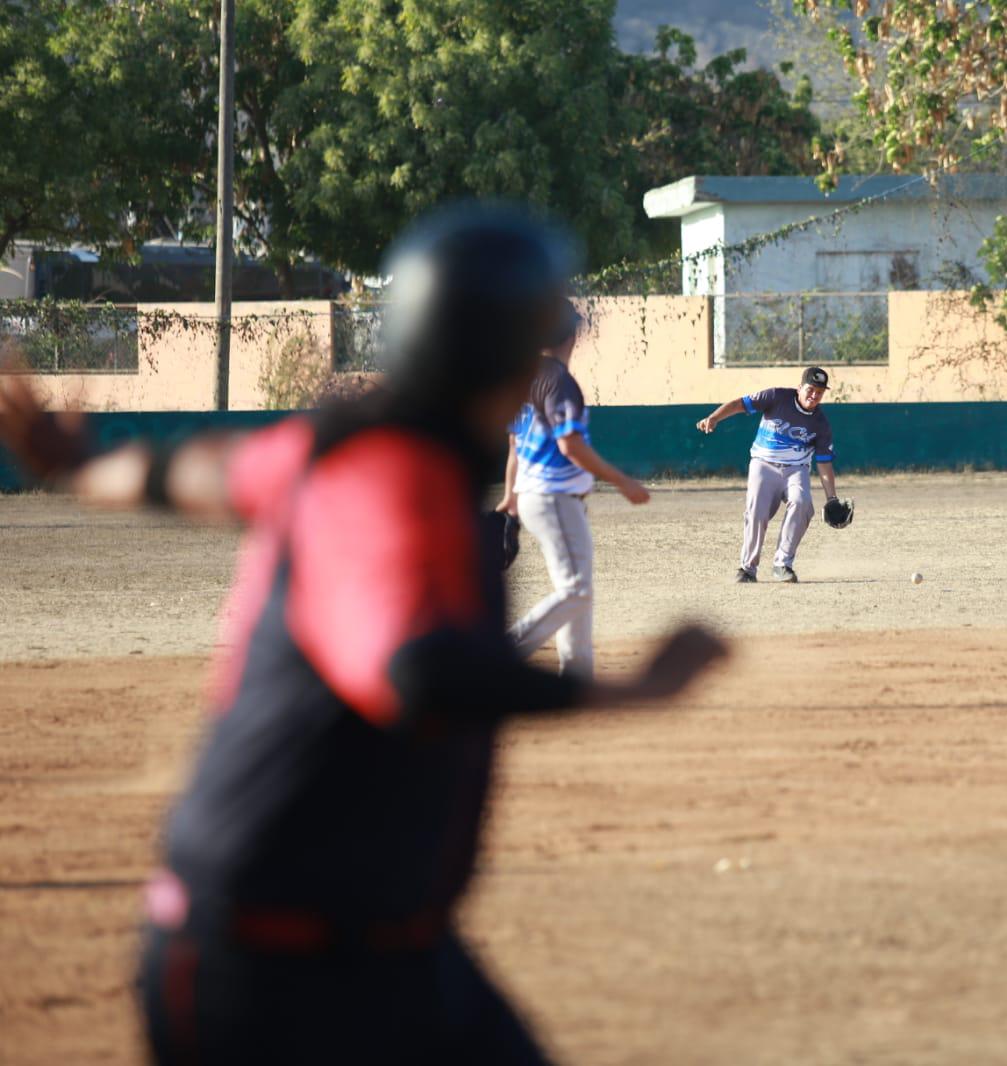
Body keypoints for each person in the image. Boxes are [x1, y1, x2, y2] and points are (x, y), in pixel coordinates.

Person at [0, 203, 726, 1066]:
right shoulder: (391, 476)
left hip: (386, 941)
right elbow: (416, 668)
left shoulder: (350, 446)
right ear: (493, 356)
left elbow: (193, 474)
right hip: (272, 965)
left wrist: (78, 465)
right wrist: (636, 690)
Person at [497, 302, 648, 678]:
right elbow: (571, 446)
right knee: (577, 589)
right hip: (553, 496)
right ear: (572, 335)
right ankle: (502, 654)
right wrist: (622, 481)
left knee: (578, 590)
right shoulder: (560, 382)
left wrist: (511, 501)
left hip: (540, 496)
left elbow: (515, 448)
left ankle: (577, 676)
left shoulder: (525, 377)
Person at [695, 365, 840, 583]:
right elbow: (739, 404)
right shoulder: (776, 397)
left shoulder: (821, 424)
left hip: (796, 470)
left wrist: (832, 498)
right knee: (756, 513)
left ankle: (783, 564)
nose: (814, 395)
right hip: (763, 465)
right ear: (799, 387)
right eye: (810, 389)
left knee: (802, 503)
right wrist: (714, 417)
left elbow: (824, 463)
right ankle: (747, 569)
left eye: (819, 392)